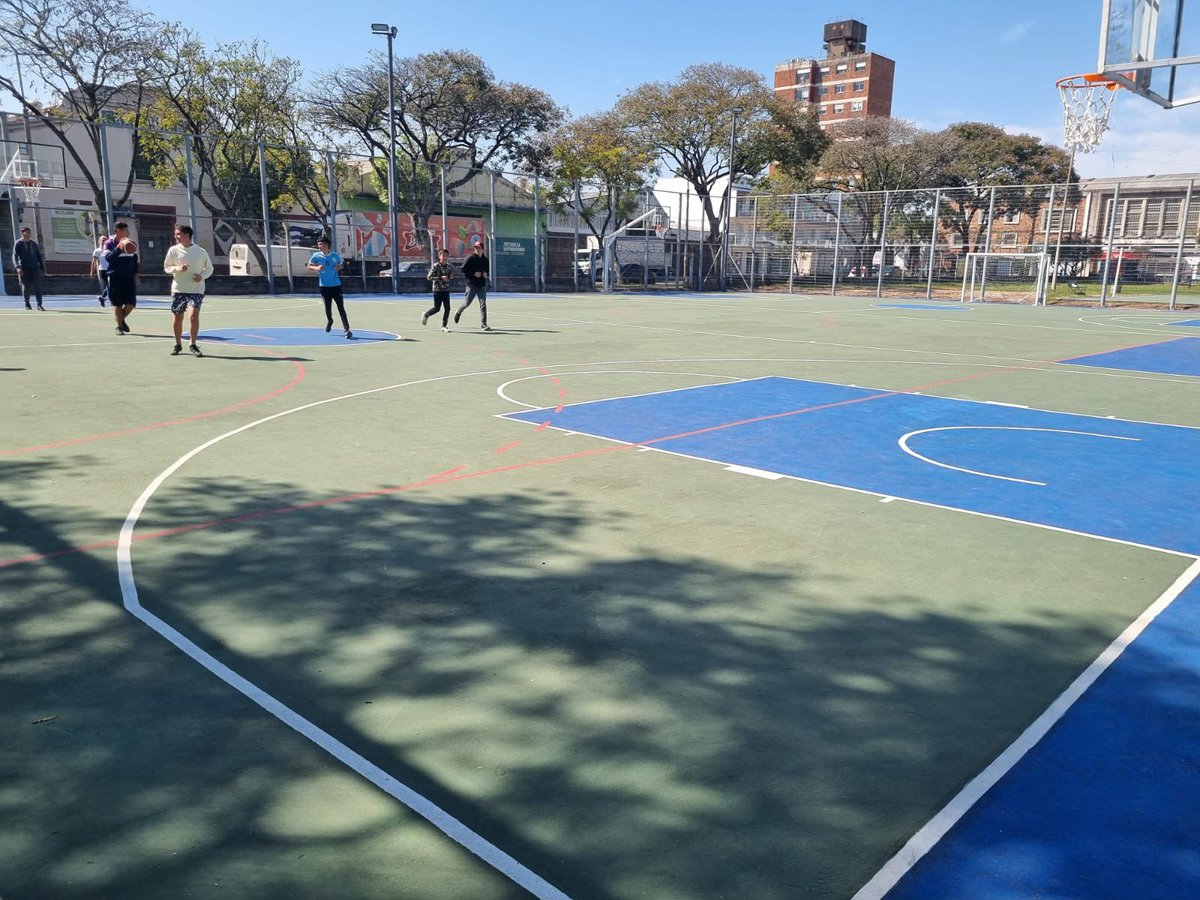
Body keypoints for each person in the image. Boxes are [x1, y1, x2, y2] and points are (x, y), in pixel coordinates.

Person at [163, 223, 214, 357]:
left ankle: (193, 344)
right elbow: (167, 268)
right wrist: (178, 269)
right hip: (179, 289)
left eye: (178, 234)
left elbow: (209, 269)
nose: (176, 236)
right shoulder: (173, 251)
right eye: (176, 234)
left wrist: (201, 276)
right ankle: (178, 344)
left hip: (196, 290)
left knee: (193, 316)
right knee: (178, 317)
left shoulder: (201, 252)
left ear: (187, 235)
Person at [306, 236, 351, 339]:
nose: (319, 246)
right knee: (328, 308)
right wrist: (317, 267)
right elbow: (309, 266)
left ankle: (347, 329)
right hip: (324, 287)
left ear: (327, 245)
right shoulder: (316, 256)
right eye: (319, 245)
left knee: (341, 308)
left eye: (321, 244)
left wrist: (339, 267)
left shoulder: (335, 256)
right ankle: (330, 320)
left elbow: (343, 265)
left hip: (336, 286)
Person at [104, 223, 139, 335]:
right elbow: (109, 258)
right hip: (115, 276)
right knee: (117, 303)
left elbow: (134, 260)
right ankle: (119, 327)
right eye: (126, 231)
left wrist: (136, 274)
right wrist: (119, 247)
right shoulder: (109, 243)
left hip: (128, 277)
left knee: (131, 303)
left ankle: (120, 320)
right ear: (118, 231)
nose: (128, 233)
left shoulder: (131, 243)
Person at [453, 239, 491, 331]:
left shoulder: (485, 260)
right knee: (467, 303)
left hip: (481, 285)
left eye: (479, 248)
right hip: (471, 285)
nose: (477, 249)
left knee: (483, 304)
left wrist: (486, 274)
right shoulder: (470, 258)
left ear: (482, 249)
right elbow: (462, 270)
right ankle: (458, 312)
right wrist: (473, 273)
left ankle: (484, 324)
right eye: (476, 248)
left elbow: (487, 271)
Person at [13, 226, 45, 310]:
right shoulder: (18, 243)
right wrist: (17, 267)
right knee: (26, 287)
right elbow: (14, 256)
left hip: (35, 268)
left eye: (29, 232)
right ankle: (27, 304)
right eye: (27, 232)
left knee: (38, 287)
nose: (29, 234)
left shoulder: (33, 244)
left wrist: (42, 267)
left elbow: (39, 256)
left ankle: (39, 305)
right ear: (23, 233)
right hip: (24, 268)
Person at [423, 248, 453, 332]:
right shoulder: (436, 266)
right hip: (437, 290)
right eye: (443, 256)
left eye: (446, 256)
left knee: (447, 308)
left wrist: (450, 277)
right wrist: (440, 278)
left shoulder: (448, 266)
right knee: (437, 308)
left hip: (446, 290)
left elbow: (450, 275)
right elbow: (429, 277)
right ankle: (426, 314)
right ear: (440, 256)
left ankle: (444, 326)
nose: (445, 257)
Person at [90, 233, 110, 306]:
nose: (103, 241)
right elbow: (94, 261)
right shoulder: (97, 251)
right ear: (99, 241)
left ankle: (102, 298)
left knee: (109, 285)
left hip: (110, 269)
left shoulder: (109, 249)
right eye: (102, 239)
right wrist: (92, 271)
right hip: (102, 270)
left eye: (105, 239)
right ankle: (112, 302)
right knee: (109, 285)